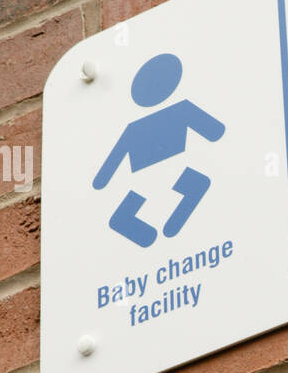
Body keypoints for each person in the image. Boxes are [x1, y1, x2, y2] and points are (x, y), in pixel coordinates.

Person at [93, 53, 225, 247]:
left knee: (128, 211)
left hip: (148, 179)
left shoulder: (134, 129)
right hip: (173, 173)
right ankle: (168, 233)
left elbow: (103, 177)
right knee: (197, 184)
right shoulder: (182, 110)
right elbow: (215, 131)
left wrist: (101, 182)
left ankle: (162, 232)